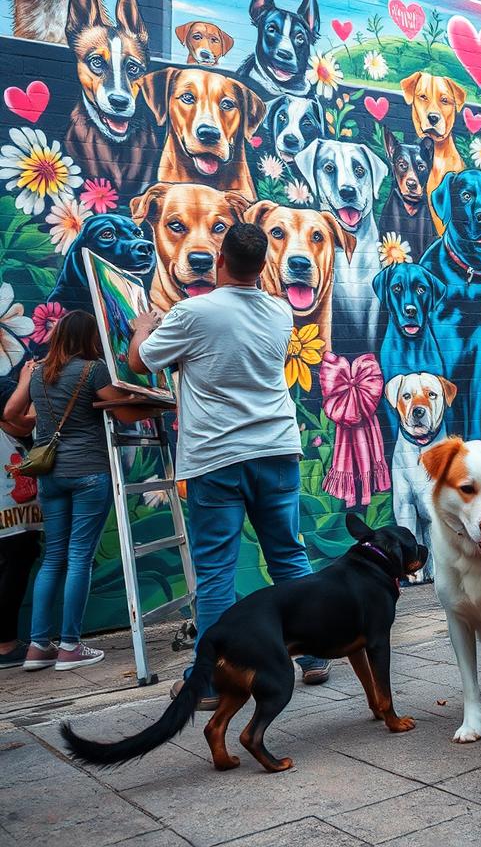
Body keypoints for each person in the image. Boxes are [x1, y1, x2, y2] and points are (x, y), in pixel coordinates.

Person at [130, 223, 329, 703]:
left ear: (219, 259)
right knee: (287, 553)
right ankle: (315, 653)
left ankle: (215, 675)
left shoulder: (192, 312)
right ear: (264, 267)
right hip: (277, 449)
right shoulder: (281, 312)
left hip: (216, 458)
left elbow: (141, 363)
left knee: (216, 570)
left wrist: (141, 328)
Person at [3, 312, 130, 670]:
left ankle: (39, 647)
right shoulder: (94, 370)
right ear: (90, 337)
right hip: (89, 472)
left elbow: (12, 411)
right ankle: (71, 647)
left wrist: (33, 397)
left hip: (50, 476)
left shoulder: (39, 372)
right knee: (79, 558)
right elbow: (121, 411)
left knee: (53, 558)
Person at [0, 369, 43, 668]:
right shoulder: (5, 386)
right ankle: (4, 645)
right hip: (8, 512)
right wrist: (32, 381)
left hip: (18, 511)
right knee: (12, 567)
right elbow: (23, 420)